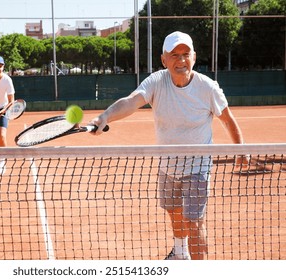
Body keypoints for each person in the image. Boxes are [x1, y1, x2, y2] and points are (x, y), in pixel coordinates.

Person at [90, 31, 247, 260]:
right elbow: (132, 101)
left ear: (194, 57)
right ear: (164, 59)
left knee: (194, 223)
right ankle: (180, 253)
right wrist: (105, 116)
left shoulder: (208, 88)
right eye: (174, 55)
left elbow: (227, 119)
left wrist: (240, 149)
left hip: (197, 168)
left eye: (185, 54)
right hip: (167, 166)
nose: (181, 60)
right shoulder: (157, 81)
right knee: (174, 213)